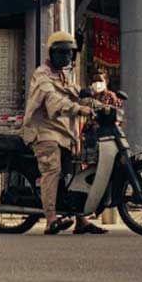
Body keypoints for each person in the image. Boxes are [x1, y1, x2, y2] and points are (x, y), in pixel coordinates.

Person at [22, 31, 107, 235]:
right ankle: (51, 220)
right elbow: (55, 101)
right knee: (52, 170)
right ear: (52, 53)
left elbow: (75, 95)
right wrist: (80, 109)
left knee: (71, 176)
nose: (66, 57)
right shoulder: (42, 74)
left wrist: (98, 105)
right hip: (44, 132)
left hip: (63, 134)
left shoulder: (63, 76)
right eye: (61, 53)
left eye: (69, 53)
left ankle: (82, 220)